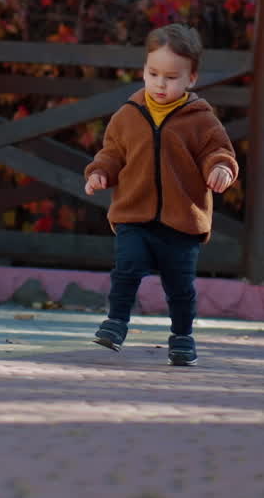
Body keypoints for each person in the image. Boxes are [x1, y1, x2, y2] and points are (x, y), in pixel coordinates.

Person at [84, 22, 238, 366]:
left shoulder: (200, 119)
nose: (160, 84)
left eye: (171, 77)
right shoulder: (127, 115)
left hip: (180, 220)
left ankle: (182, 337)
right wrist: (98, 173)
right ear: (144, 70)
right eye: (153, 73)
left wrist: (222, 168)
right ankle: (116, 323)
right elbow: (111, 153)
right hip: (133, 213)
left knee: (180, 287)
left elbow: (219, 150)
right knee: (127, 267)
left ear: (191, 78)